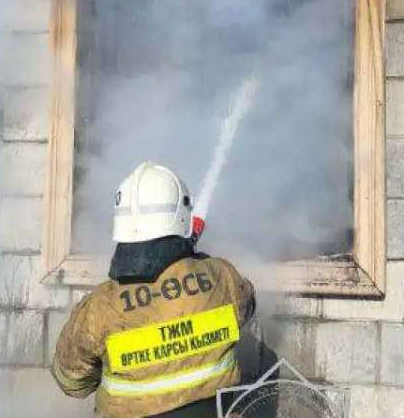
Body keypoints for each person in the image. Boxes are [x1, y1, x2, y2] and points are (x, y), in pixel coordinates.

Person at [52, 161, 256, 418]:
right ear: (182, 216)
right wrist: (194, 261)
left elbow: (71, 381)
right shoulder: (221, 276)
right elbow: (246, 308)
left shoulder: (99, 308)